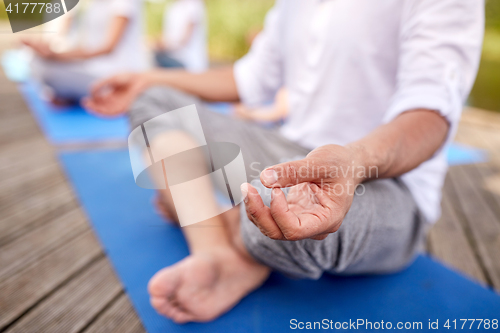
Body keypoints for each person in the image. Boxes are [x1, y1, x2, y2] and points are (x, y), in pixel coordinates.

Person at [84, 0, 484, 324]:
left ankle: (225, 221)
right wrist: (146, 79)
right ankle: (214, 250)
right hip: (287, 153)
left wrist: (353, 161)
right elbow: (248, 80)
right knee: (153, 100)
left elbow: (430, 117)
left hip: (385, 182)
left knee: (291, 216)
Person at [23, 0, 147, 104]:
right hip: (92, 69)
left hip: (117, 75)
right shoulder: (94, 4)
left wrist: (57, 56)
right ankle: (75, 93)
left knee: (47, 71)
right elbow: (87, 47)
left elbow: (108, 48)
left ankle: (103, 94)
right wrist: (50, 54)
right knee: (36, 61)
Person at [153, 0, 208, 72]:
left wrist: (165, 45)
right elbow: (168, 34)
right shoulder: (173, 6)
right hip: (174, 57)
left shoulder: (193, 5)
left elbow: (185, 39)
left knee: (158, 57)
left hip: (188, 62)